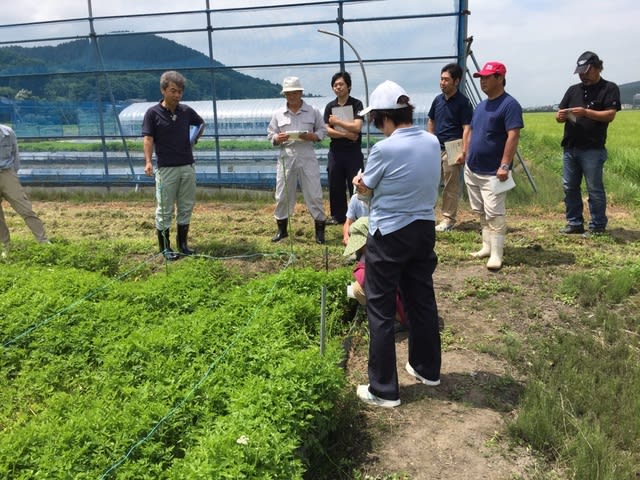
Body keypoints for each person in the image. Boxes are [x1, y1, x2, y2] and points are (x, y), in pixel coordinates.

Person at [352, 80, 441, 408]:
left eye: (376, 119)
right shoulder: (432, 141)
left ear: (383, 117)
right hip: (423, 229)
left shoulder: (384, 149)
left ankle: (384, 390)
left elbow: (366, 191)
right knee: (421, 300)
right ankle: (426, 368)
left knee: (380, 307)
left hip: (388, 234)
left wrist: (358, 184)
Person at [463, 62, 523, 270]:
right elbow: (471, 130)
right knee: (480, 211)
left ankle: (497, 254)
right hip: (473, 168)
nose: (483, 81)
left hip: (493, 172)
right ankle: (486, 246)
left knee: (494, 213)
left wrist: (505, 165)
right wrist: (466, 153)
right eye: (481, 77)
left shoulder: (509, 105)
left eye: (487, 77)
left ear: (500, 78)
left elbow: (513, 135)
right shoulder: (481, 105)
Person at [556, 51, 620, 236]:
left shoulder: (609, 88)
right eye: (580, 72)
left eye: (586, 71)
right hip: (570, 146)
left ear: (598, 68)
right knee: (569, 186)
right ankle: (574, 222)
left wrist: (586, 112)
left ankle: (598, 225)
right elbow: (560, 114)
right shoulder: (572, 90)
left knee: (594, 188)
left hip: (593, 147)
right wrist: (560, 116)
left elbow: (610, 114)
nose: (583, 75)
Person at [142, 70, 205, 261]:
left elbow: (200, 123)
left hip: (187, 166)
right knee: (165, 208)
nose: (177, 95)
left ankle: (183, 245)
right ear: (163, 90)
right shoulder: (153, 113)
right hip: (166, 168)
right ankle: (165, 247)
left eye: (180, 91)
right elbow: (148, 138)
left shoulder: (185, 111)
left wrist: (193, 139)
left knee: (186, 206)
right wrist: (148, 161)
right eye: (173, 91)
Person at [267, 76, 327, 244]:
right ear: (284, 95)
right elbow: (270, 134)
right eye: (288, 93)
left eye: (294, 93)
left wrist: (313, 136)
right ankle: (282, 230)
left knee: (314, 193)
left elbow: (322, 130)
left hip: (307, 154)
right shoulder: (278, 114)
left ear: (301, 93)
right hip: (286, 155)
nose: (291, 96)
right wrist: (277, 138)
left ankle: (320, 232)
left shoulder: (312, 111)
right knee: (282, 194)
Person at [427, 63, 474, 232]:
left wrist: (464, 151)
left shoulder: (463, 103)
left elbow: (467, 128)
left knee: (450, 185)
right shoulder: (437, 100)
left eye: (446, 79)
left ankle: (448, 219)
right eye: (441, 79)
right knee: (430, 182)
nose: (442, 82)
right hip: (436, 147)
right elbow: (431, 120)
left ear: (456, 81)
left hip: (454, 146)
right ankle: (427, 216)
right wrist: (430, 138)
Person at [343, 217, 406, 326]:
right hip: (411, 303)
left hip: (402, 308)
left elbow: (366, 279)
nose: (360, 249)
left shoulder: (379, 257)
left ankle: (394, 319)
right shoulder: (391, 245)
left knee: (357, 289)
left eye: (362, 245)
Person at [0, 123, 50, 254]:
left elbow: (15, 154)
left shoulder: (7, 133)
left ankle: (44, 242)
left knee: (25, 208)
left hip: (7, 173)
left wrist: (12, 175)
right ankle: (5, 246)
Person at [324, 71, 365, 226]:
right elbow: (327, 130)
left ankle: (358, 216)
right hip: (336, 151)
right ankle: (338, 216)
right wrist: (348, 135)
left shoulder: (357, 104)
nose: (338, 87)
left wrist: (338, 122)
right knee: (335, 184)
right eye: (335, 85)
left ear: (349, 86)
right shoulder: (330, 106)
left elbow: (357, 126)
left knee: (356, 183)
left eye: (341, 84)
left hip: (353, 152)